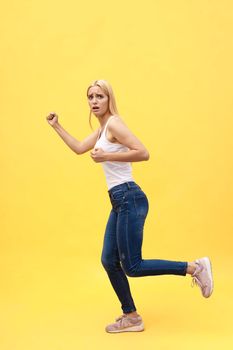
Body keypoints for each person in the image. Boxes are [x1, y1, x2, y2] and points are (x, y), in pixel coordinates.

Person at [46, 79, 214, 333]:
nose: (94, 101)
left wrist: (107, 156)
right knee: (108, 260)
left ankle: (194, 267)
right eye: (90, 97)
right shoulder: (102, 129)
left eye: (99, 96)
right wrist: (56, 125)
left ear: (109, 99)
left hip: (129, 196)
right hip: (119, 200)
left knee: (132, 266)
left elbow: (143, 152)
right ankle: (132, 316)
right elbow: (79, 148)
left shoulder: (114, 123)